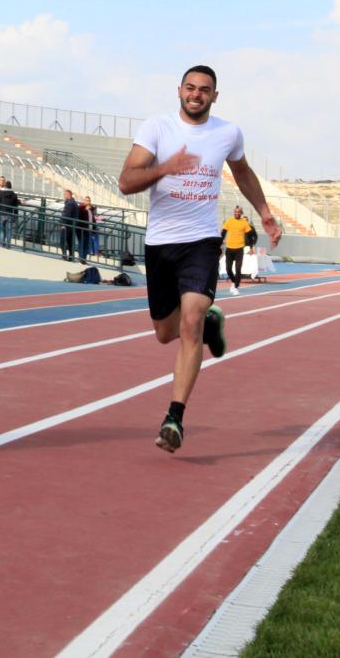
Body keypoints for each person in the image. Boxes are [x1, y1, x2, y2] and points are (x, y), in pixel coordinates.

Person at [118, 65, 282, 455]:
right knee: (164, 332)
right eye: (190, 88)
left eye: (204, 89)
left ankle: (174, 417)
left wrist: (264, 211)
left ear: (214, 95)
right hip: (161, 244)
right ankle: (211, 321)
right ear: (179, 91)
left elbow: (242, 172)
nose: (196, 94)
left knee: (189, 322)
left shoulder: (228, 133)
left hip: (202, 241)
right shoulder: (156, 129)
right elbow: (126, 181)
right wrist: (165, 169)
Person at [220, 205, 251, 296]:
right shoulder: (229, 221)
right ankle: (234, 281)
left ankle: (236, 287)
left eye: (239, 212)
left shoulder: (244, 222)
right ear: (234, 212)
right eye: (235, 212)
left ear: (241, 213)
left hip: (239, 249)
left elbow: (249, 235)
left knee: (238, 269)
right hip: (229, 248)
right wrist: (219, 244)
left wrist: (251, 247)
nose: (237, 213)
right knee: (228, 269)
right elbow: (223, 233)